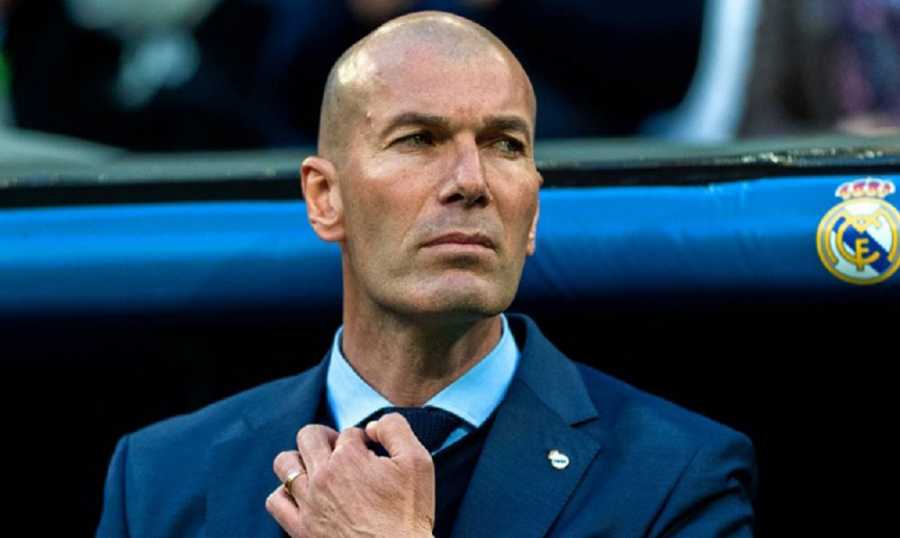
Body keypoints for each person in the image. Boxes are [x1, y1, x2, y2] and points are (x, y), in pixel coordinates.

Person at [96, 11, 756, 537]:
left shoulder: (677, 478)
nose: (471, 181)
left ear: (531, 212)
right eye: (419, 139)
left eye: (505, 144)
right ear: (325, 198)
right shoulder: (160, 479)